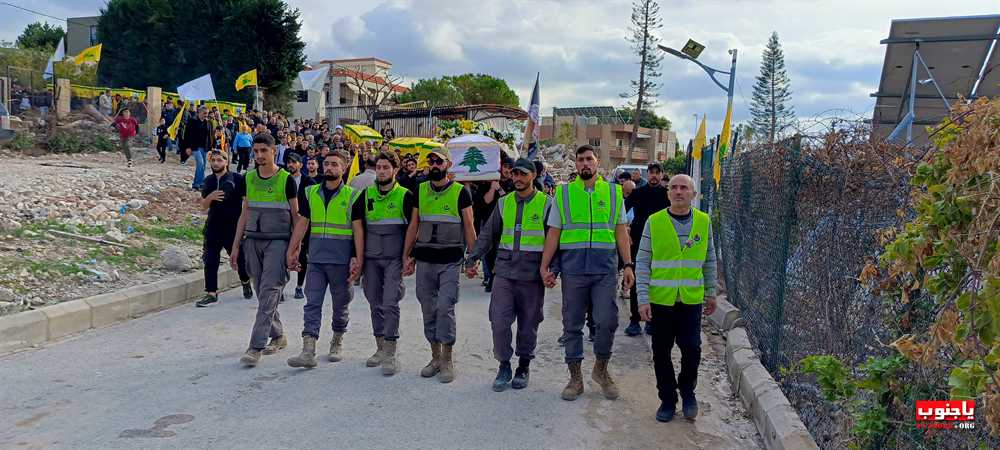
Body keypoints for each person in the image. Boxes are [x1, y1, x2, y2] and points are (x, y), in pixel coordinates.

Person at [540, 144, 634, 402]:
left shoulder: (614, 193)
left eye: (589, 159)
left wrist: (628, 265)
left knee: (607, 321)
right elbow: (554, 233)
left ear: (597, 163)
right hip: (573, 270)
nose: (584, 164)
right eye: (580, 159)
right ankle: (575, 377)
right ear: (576, 164)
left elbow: (620, 231)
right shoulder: (564, 194)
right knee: (572, 324)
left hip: (604, 269)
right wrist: (544, 265)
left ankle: (601, 370)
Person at [636, 174, 717, 423]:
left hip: (691, 301)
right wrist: (642, 297)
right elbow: (643, 261)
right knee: (661, 352)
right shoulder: (655, 222)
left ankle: (688, 392)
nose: (679, 191)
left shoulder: (703, 222)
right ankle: (668, 400)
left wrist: (711, 292)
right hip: (661, 301)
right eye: (674, 187)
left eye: (684, 188)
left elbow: (710, 258)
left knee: (691, 348)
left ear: (693, 194)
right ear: (668, 193)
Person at [466, 158, 551, 392]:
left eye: (523, 174)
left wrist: (552, 269)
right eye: (514, 174)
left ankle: (523, 366)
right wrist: (472, 257)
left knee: (528, 324)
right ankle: (504, 365)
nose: (518, 178)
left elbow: (554, 241)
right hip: (504, 273)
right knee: (499, 321)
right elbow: (488, 233)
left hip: (532, 276)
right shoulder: (503, 203)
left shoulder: (547, 204)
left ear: (533, 175)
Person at [402, 149, 477, 383]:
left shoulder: (460, 193)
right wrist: (407, 255)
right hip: (425, 260)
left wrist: (472, 259)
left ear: (449, 164)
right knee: (428, 309)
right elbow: (413, 225)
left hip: (450, 261)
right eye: (431, 161)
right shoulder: (420, 190)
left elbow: (469, 226)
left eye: (439, 161)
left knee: (445, 307)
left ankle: (447, 358)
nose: (434, 164)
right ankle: (434, 357)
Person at [285, 150, 365, 368]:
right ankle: (308, 350)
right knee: (312, 304)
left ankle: (337, 340)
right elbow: (302, 223)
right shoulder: (310, 192)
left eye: (335, 164)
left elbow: (358, 230)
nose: (329, 168)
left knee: (341, 305)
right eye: (327, 164)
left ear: (344, 168)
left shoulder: (353, 195)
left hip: (341, 262)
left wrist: (358, 258)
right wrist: (292, 250)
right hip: (316, 260)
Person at [230, 133, 299, 367]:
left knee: (269, 291)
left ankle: (255, 346)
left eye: (263, 151)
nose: (259, 155)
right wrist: (236, 246)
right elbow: (244, 213)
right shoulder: (247, 178)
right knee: (262, 293)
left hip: (278, 242)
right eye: (256, 151)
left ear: (274, 151)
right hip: (252, 242)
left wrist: (295, 249)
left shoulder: (286, 180)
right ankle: (278, 335)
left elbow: (296, 217)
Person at [359, 151, 415, 376]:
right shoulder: (365, 195)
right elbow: (358, 228)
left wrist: (409, 256)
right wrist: (358, 258)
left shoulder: (405, 196)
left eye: (386, 167)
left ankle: (391, 351)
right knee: (374, 301)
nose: (381, 171)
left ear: (395, 170)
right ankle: (380, 348)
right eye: (379, 167)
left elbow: (413, 227)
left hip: (394, 258)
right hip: (372, 259)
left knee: (390, 302)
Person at [195, 151, 254, 307]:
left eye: (219, 160)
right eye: (213, 160)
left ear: (226, 162)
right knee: (210, 259)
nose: (215, 163)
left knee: (240, 260)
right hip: (213, 226)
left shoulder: (238, 179)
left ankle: (245, 281)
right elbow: (203, 206)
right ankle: (211, 293)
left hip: (233, 227)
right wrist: (211, 197)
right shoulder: (208, 181)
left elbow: (247, 202)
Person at [624, 162, 670, 337]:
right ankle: (634, 319)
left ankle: (651, 320)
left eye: (658, 173)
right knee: (637, 280)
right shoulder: (638, 193)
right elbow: (623, 211)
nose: (654, 176)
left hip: (660, 243)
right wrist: (625, 231)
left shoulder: (667, 195)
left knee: (655, 281)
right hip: (637, 241)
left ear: (661, 175)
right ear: (648, 174)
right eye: (651, 172)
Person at [284, 153, 307, 299]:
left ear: (300, 164)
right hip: (285, 221)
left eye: (294, 162)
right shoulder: (282, 179)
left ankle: (299, 286)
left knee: (302, 255)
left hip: (303, 221)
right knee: (282, 254)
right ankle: (281, 285)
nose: (291, 165)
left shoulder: (308, 181)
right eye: (289, 162)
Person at [184, 107, 212, 190]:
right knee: (200, 163)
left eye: (207, 113)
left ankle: (201, 183)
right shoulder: (192, 121)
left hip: (205, 147)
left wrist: (211, 148)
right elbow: (187, 135)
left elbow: (210, 136)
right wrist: (188, 147)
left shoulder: (208, 122)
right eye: (204, 113)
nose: (206, 115)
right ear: (199, 113)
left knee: (203, 166)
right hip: (195, 146)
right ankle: (196, 183)